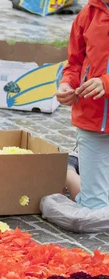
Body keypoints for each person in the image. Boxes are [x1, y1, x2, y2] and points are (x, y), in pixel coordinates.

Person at [56, 0, 109, 210]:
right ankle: (69, 170)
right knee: (98, 210)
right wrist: (67, 84)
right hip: (91, 120)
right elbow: (75, 63)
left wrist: (105, 83)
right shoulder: (88, 12)